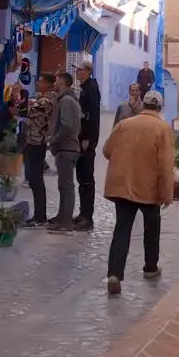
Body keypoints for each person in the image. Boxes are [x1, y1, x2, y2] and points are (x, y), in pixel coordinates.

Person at [102, 90, 175, 295]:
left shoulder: (125, 124)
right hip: (149, 188)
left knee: (122, 229)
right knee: (152, 228)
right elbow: (165, 165)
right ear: (159, 108)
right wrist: (167, 193)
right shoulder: (162, 129)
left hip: (123, 185)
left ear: (143, 105)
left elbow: (107, 150)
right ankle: (150, 268)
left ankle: (114, 274)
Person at [46, 72, 82, 233]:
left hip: (67, 148)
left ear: (63, 82)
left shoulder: (67, 101)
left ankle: (66, 222)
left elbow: (66, 126)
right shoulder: (68, 100)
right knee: (63, 185)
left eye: (57, 80)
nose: (54, 83)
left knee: (66, 186)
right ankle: (62, 217)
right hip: (67, 147)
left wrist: (54, 139)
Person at [21, 73, 56, 227]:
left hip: (37, 143)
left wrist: (15, 99)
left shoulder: (46, 101)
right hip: (32, 142)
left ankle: (40, 217)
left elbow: (25, 111)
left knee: (36, 179)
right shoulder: (41, 99)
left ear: (49, 84)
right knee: (32, 177)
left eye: (41, 81)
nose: (37, 83)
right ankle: (39, 215)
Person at [74, 59, 102, 231]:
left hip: (87, 140)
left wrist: (87, 138)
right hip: (82, 137)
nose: (77, 72)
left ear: (87, 71)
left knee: (86, 179)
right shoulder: (86, 88)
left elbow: (90, 117)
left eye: (79, 70)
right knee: (81, 177)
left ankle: (87, 217)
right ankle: (83, 213)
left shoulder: (91, 89)